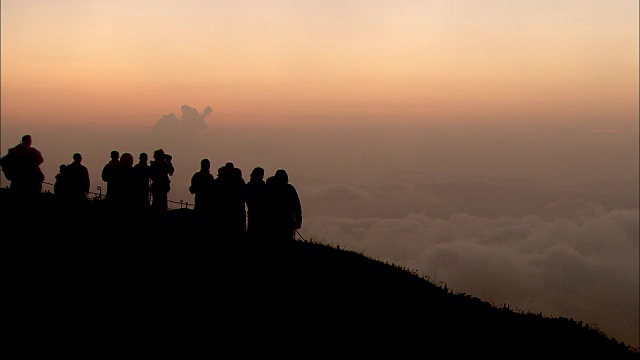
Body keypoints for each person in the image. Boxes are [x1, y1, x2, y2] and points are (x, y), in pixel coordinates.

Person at [265, 169, 302, 243]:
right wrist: (298, 221)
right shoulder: (290, 189)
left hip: (271, 220)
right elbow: (297, 206)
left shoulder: (269, 188)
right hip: (286, 220)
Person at [246, 167, 268, 241]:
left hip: (253, 211)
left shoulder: (249, 185)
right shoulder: (263, 186)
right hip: (261, 212)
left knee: (252, 231)